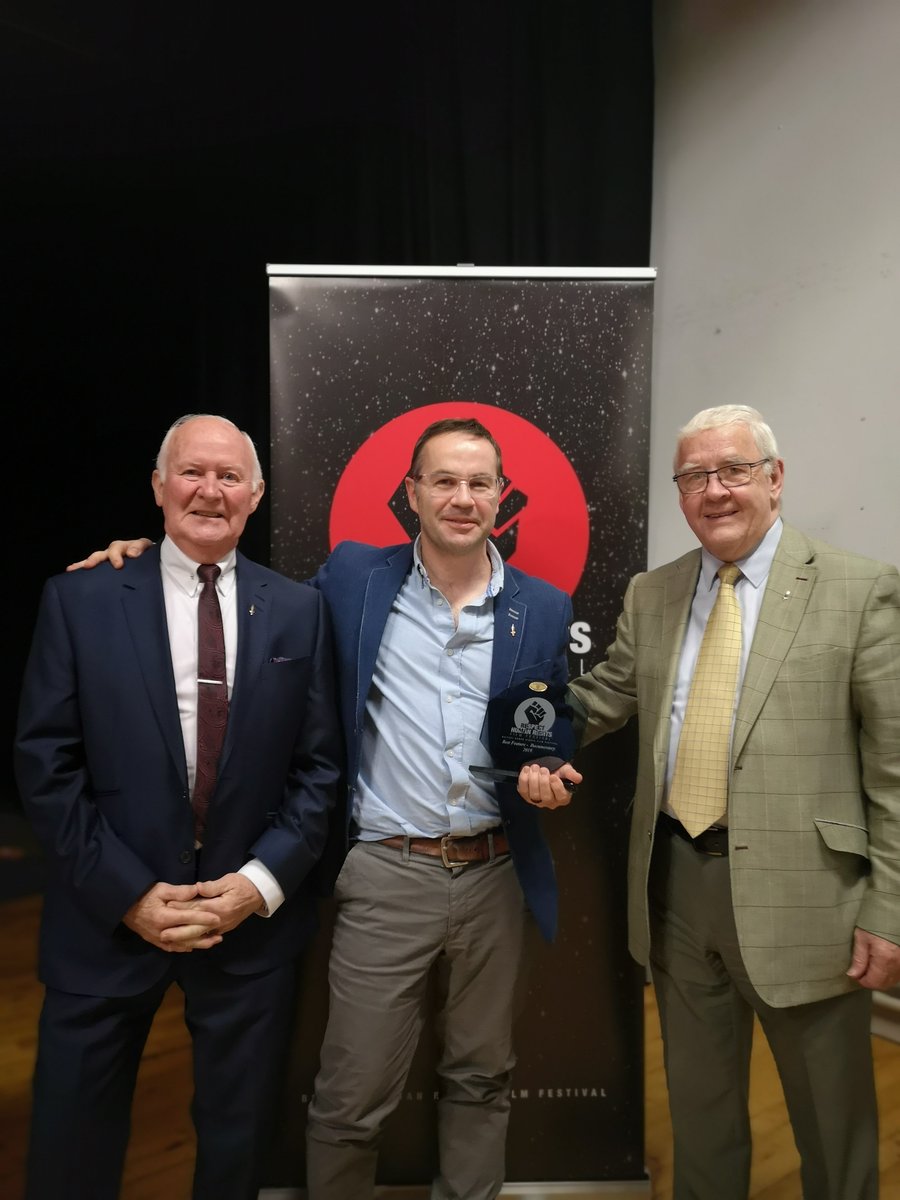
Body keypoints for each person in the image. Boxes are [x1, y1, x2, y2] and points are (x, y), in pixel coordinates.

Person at [66, 416, 582, 1200]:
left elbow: (544, 721)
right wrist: (140, 558)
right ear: (411, 494)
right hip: (386, 873)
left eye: (480, 483)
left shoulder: (543, 606)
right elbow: (234, 595)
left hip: (497, 874)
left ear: (502, 497)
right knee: (352, 1093)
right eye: (443, 480)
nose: (462, 498)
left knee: (484, 1076)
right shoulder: (352, 580)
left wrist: (546, 767)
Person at [520, 404, 900, 1200]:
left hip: (811, 900)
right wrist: (527, 739)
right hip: (677, 887)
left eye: (733, 470)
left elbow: (893, 770)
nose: (715, 490)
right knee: (702, 1115)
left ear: (775, 479)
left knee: (834, 1130)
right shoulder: (654, 595)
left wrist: (889, 910)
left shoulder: (859, 590)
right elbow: (605, 696)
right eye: (695, 476)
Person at [15, 414, 343, 1200]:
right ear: (158, 488)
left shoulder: (300, 611)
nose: (210, 490)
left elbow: (320, 770)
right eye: (192, 472)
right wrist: (129, 895)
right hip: (106, 920)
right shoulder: (79, 599)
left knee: (238, 1149)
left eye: (230, 477)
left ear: (257, 495)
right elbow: (46, 764)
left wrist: (255, 887)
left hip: (244, 931)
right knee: (69, 1144)